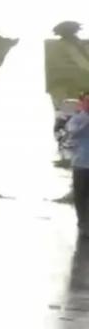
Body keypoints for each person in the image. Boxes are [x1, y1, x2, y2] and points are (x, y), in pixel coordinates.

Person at [66, 96, 89, 238]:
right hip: (81, 163)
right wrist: (85, 123)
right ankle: (82, 223)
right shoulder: (78, 119)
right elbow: (72, 132)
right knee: (80, 195)